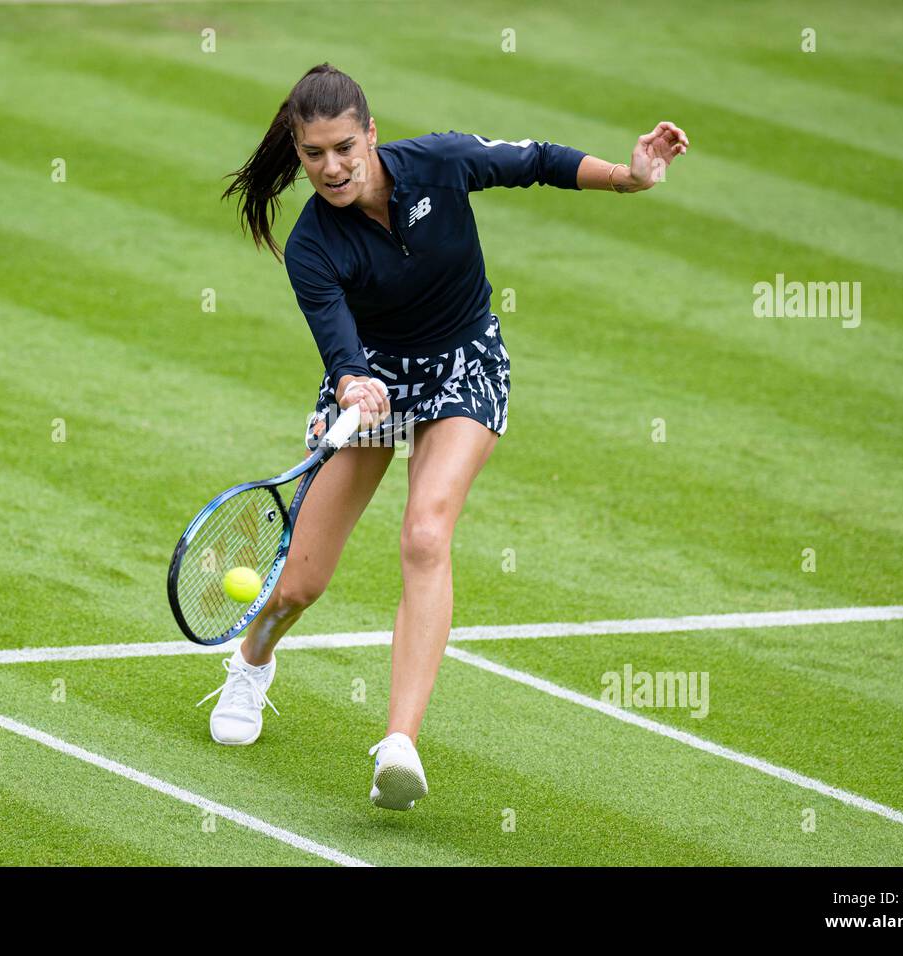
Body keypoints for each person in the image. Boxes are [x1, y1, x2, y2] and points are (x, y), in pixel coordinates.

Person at [204, 62, 688, 810]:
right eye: (313, 155)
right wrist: (352, 382)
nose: (331, 167)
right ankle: (251, 663)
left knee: (427, 533)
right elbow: (339, 343)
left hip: (465, 361)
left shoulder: (440, 161)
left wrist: (629, 177)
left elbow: (537, 162)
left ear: (371, 134)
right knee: (300, 580)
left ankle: (398, 743)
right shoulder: (313, 247)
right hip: (376, 384)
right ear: (298, 154)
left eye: (343, 148)